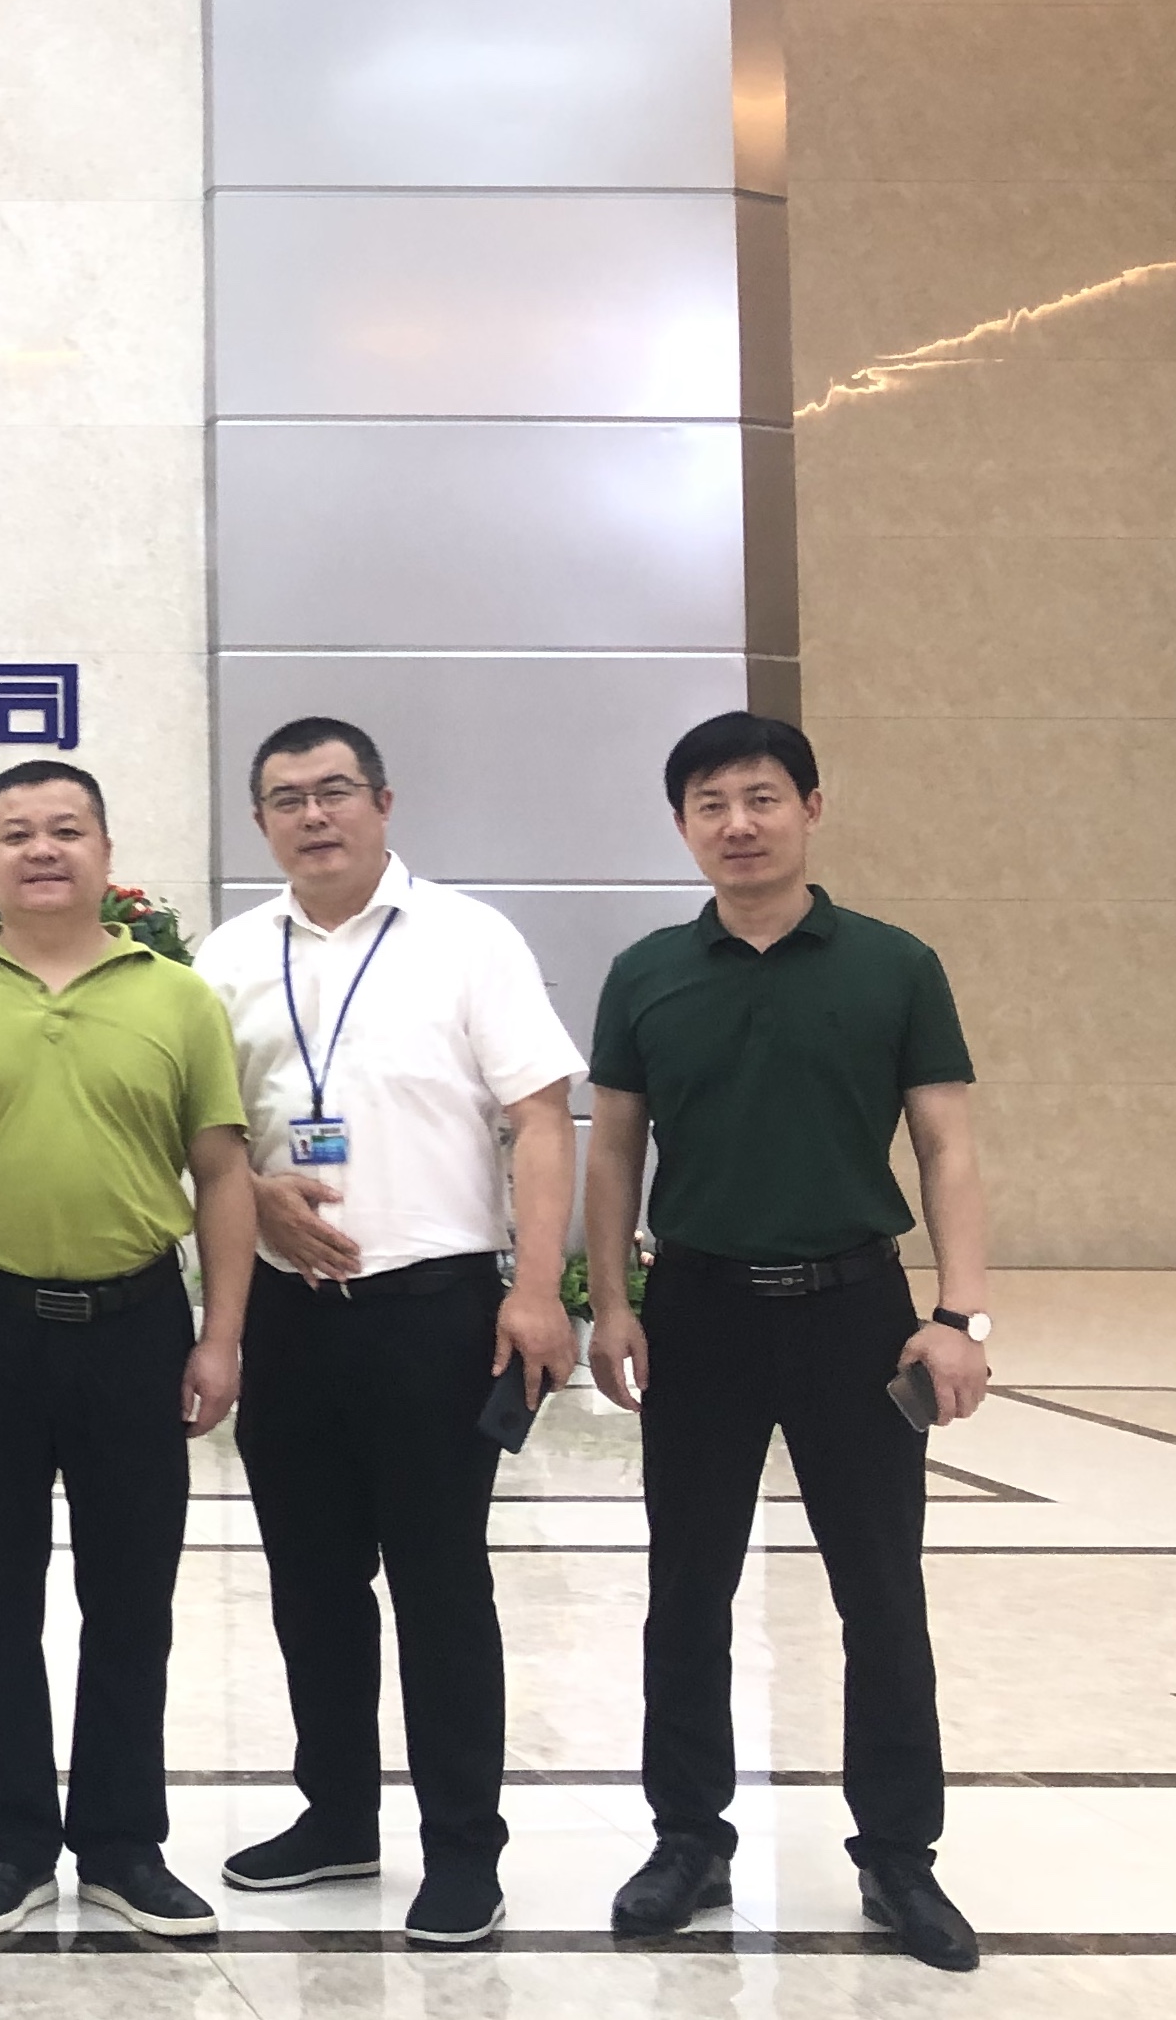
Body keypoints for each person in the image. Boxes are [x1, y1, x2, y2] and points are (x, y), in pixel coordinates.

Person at [585, 712, 992, 1974]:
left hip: (855, 1312)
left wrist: (959, 1315)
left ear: (812, 807)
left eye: (762, 798)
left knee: (881, 1591)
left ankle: (899, 1856)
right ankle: (688, 1839)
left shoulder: (894, 965)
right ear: (682, 827)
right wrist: (612, 1303)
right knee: (687, 1586)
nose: (739, 825)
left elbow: (946, 1145)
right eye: (710, 805)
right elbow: (613, 1151)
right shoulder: (646, 972)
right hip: (698, 1309)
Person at [193, 717, 581, 1949]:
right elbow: (205, 1144)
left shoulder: (469, 940)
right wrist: (257, 1199)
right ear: (261, 823)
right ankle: (336, 1817)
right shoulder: (227, 959)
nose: (314, 817)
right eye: (286, 799)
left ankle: (464, 1849)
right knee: (311, 1586)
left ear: (383, 802)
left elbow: (541, 1119)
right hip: (290, 1321)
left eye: (334, 791)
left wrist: (537, 1289)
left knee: (440, 1584)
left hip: (436, 1312)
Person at [0, 759, 253, 1943]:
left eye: (66, 830)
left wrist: (221, 1334)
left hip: (137, 1327)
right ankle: (9, 1845)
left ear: (104, 851)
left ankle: (124, 1843)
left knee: (131, 1598)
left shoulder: (177, 999)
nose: (43, 850)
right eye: (18, 833)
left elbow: (222, 1173)